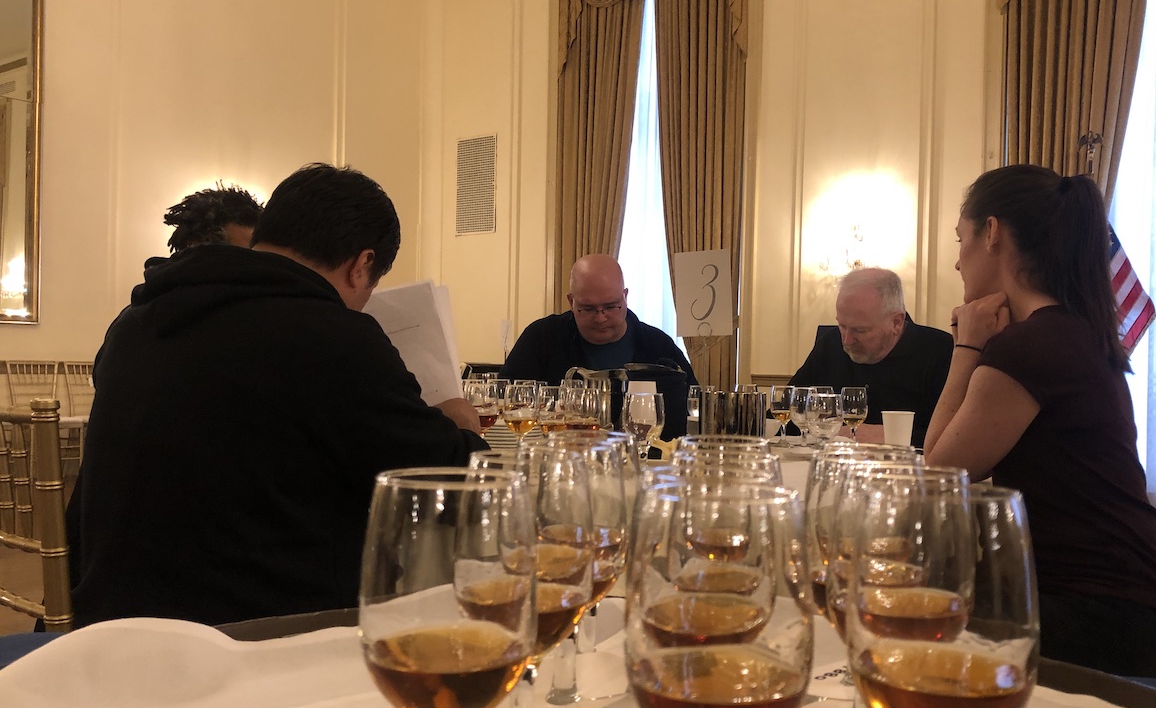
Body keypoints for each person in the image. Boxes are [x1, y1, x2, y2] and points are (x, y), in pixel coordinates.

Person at [70, 163, 487, 628]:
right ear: (361, 265)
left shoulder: (134, 321)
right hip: (250, 639)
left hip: (106, 627)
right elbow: (458, 487)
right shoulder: (333, 337)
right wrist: (457, 420)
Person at [923, 164, 1156, 677]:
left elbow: (938, 471)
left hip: (1099, 618)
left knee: (900, 615)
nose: (956, 260)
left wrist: (967, 345)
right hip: (1134, 608)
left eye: (960, 239)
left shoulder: (1030, 346)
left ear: (991, 233)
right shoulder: (1071, 331)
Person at [499, 253, 698, 438]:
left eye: (611, 306)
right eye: (588, 309)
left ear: (625, 296)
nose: (600, 318)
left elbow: (693, 408)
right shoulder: (541, 338)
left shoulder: (658, 346)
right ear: (571, 301)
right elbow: (506, 400)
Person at [788, 267, 952, 447]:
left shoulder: (941, 351)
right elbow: (788, 416)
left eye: (860, 330)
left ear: (896, 323)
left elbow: (957, 438)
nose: (847, 340)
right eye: (842, 326)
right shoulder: (830, 344)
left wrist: (892, 435)